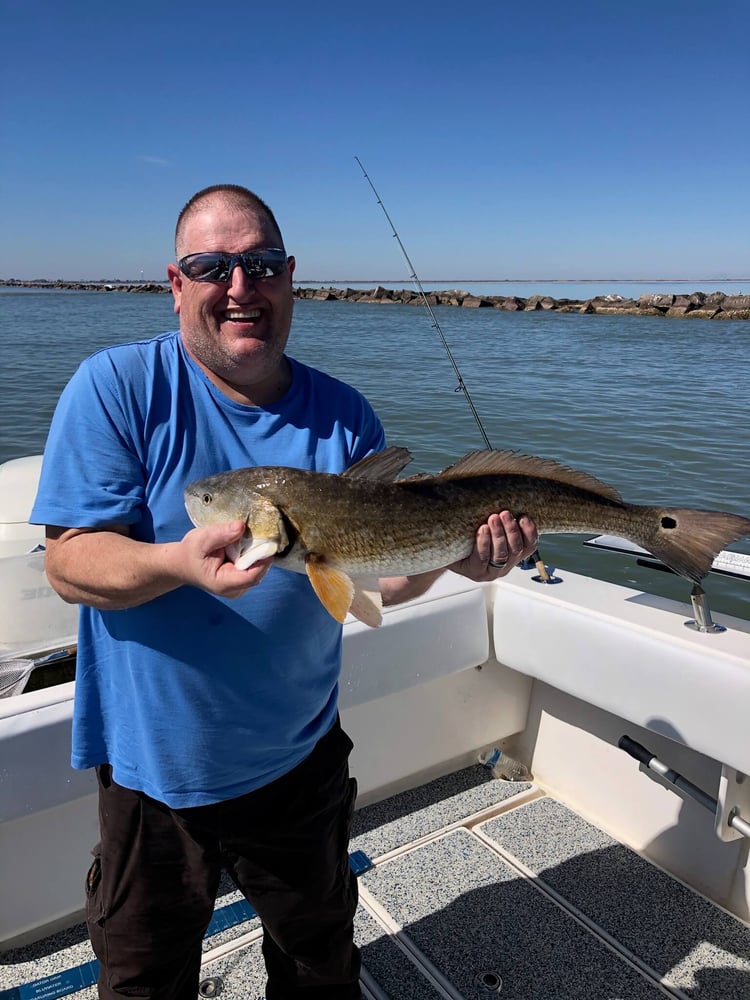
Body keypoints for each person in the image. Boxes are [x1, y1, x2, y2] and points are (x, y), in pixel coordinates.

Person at [31, 184, 538, 1000]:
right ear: (176, 282)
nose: (240, 287)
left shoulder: (343, 416)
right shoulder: (117, 388)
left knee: (317, 967)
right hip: (154, 776)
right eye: (212, 266)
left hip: (300, 764)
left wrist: (461, 559)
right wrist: (177, 564)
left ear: (290, 277)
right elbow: (69, 564)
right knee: (143, 979)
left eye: (262, 265)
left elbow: (381, 578)